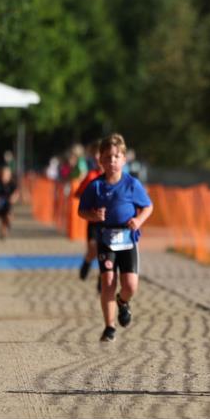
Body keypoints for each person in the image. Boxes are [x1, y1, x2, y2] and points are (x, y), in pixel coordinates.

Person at [77, 134, 154, 342]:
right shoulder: (96, 186)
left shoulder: (132, 184)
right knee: (108, 280)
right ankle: (109, 327)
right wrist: (93, 216)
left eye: (116, 156)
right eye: (108, 156)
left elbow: (148, 206)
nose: (112, 160)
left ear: (123, 159)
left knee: (130, 285)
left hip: (128, 238)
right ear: (100, 160)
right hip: (106, 238)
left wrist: (138, 220)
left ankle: (123, 301)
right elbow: (81, 211)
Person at [75, 142, 104, 285]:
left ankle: (102, 277)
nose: (98, 158)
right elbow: (78, 194)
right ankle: (87, 262)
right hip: (93, 221)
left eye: (101, 154)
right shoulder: (91, 175)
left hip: (110, 222)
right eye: (95, 155)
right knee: (93, 248)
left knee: (105, 252)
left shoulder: (116, 176)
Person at [0, 165, 19, 240]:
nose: (6, 176)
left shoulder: (12, 183)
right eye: (4, 174)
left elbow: (16, 193)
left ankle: (8, 224)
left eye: (8, 174)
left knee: (9, 217)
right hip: (0, 204)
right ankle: (3, 234)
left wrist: (14, 198)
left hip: (9, 204)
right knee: (2, 219)